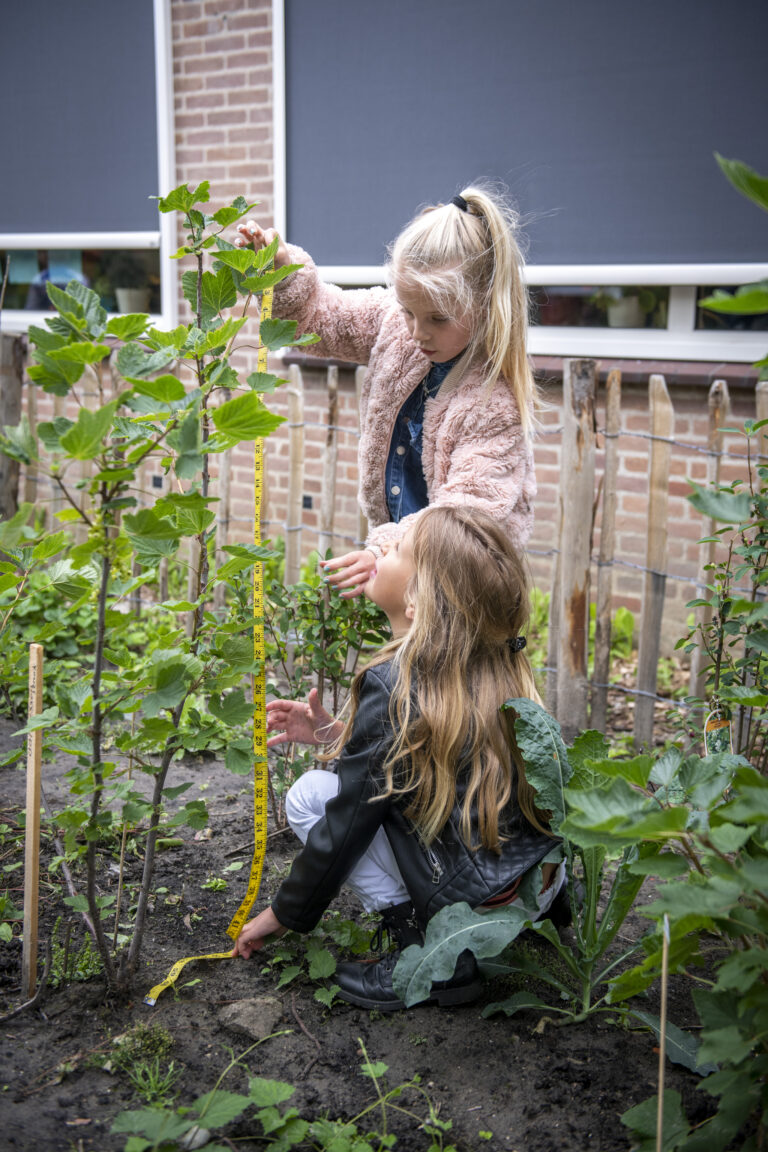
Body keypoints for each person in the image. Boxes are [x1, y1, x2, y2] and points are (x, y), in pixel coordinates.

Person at [231, 507, 566, 1011]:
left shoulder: (395, 682)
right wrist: (338, 734)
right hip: (532, 884)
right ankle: (525, 925)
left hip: (470, 907)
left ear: (415, 601)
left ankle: (432, 955)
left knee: (310, 797)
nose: (380, 550)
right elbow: (433, 760)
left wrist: (282, 914)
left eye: (396, 551)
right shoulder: (497, 661)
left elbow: (348, 824)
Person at [235, 185, 539, 598]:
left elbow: (462, 515)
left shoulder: (493, 402)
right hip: (401, 572)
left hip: (462, 589)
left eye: (437, 318)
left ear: (486, 304)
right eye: (408, 310)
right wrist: (283, 272)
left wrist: (382, 550)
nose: (417, 331)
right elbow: (321, 317)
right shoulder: (395, 326)